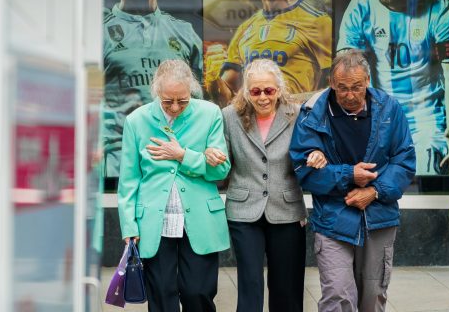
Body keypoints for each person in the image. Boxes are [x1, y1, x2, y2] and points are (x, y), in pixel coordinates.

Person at [289, 50, 416, 311]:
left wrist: (374, 191)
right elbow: (305, 170)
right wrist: (349, 175)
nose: (349, 95)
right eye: (342, 88)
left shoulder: (389, 108)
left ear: (368, 81)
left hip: (378, 216)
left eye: (357, 87)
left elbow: (404, 160)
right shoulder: (314, 113)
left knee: (372, 297)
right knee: (337, 296)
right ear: (332, 83)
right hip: (334, 218)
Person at [337, 0, 449, 175]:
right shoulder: (360, 9)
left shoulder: (442, 12)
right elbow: (348, 74)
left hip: (428, 123)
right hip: (378, 124)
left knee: (428, 176)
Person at [211, 59, 325, 311]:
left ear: (279, 89)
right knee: (250, 284)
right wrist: (213, 158)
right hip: (244, 210)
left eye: (269, 91)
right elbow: (222, 170)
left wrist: (317, 154)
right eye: (255, 91)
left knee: (287, 287)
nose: (263, 97)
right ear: (246, 91)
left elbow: (311, 148)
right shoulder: (229, 116)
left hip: (286, 209)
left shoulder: (296, 114)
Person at [118, 60, 230, 312]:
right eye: (168, 101)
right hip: (153, 220)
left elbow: (221, 171)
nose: (176, 107)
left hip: (200, 217)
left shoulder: (210, 114)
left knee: (197, 292)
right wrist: (128, 225)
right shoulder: (137, 121)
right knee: (162, 294)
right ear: (156, 92)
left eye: (183, 100)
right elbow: (128, 180)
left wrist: (183, 155)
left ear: (191, 90)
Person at [103, 0, 203, 182]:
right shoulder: (100, 34)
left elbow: (201, 103)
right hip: (119, 161)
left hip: (176, 160)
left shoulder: (184, 32)